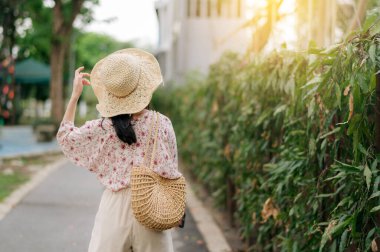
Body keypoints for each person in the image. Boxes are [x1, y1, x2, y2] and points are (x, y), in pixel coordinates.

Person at [56, 48, 184, 252]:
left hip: (114, 209)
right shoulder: (162, 123)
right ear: (143, 85)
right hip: (152, 205)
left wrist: (74, 96)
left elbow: (65, 138)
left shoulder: (102, 128)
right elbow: (171, 171)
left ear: (110, 93)